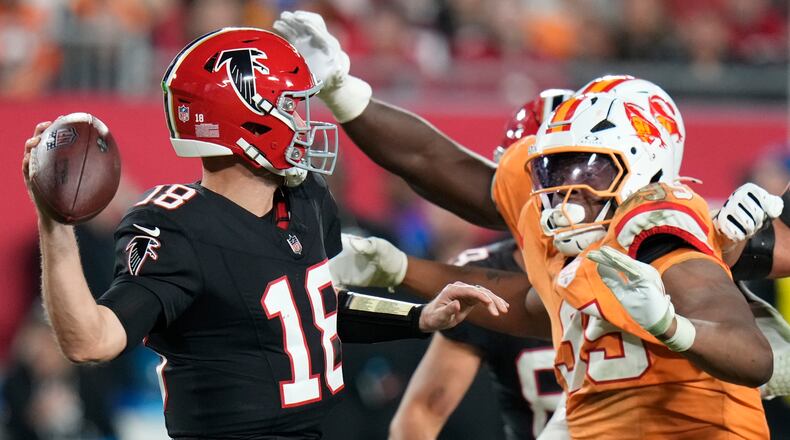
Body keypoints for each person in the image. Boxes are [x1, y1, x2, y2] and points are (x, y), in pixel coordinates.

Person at [276, 11, 788, 438]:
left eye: (584, 166)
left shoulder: (655, 221)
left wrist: (671, 326)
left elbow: (752, 357)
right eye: (553, 166)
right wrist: (402, 267)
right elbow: (522, 299)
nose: (560, 184)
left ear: (645, 163)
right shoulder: (559, 227)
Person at [21, 28, 509, 439]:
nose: (302, 121)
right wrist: (55, 224)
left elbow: (321, 307)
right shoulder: (175, 224)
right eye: (290, 106)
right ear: (247, 120)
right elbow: (91, 340)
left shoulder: (306, 200)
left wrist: (420, 316)